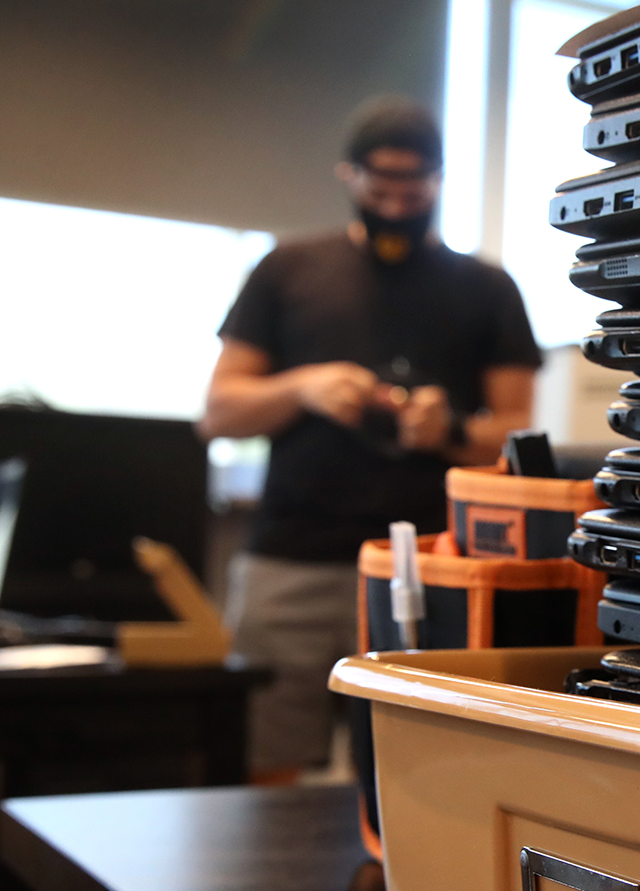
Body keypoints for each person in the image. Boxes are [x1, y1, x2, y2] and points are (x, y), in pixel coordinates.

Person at [200, 96, 544, 778]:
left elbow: (518, 440)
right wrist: (303, 387)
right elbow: (217, 414)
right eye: (378, 188)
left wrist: (448, 431)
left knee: (415, 773)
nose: (394, 206)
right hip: (290, 561)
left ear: (439, 180)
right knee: (269, 760)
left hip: (429, 563)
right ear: (348, 176)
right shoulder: (286, 270)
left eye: (412, 189)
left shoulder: (487, 288)